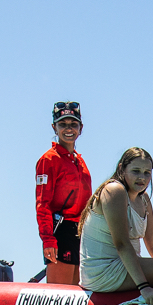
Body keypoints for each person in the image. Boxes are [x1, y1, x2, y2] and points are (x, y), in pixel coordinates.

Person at [77, 148, 153, 302]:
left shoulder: (144, 199)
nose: (142, 177)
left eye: (147, 172)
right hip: (104, 271)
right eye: (136, 171)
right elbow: (121, 244)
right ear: (121, 168)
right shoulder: (114, 190)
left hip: (126, 265)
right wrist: (144, 287)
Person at [35, 102, 92, 286]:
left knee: (79, 299)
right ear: (54, 127)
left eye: (73, 124)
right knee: (61, 298)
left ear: (81, 128)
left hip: (82, 234)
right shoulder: (48, 160)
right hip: (61, 231)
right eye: (63, 124)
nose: (68, 129)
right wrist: (48, 240)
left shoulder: (80, 162)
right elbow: (42, 204)